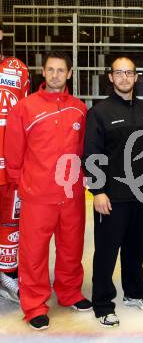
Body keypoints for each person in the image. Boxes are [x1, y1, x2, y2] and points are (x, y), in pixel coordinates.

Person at [4, 51, 91, 330]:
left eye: (60, 70)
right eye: (50, 70)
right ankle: (34, 304)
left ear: (69, 74)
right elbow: (14, 151)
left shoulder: (79, 108)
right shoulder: (25, 108)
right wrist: (22, 183)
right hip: (37, 195)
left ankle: (69, 293)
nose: (55, 75)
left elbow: (83, 151)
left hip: (71, 195)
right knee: (34, 253)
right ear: (44, 72)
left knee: (71, 248)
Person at [83, 56, 143, 327]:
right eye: (119, 73)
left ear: (136, 77)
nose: (125, 78)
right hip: (111, 197)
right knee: (106, 251)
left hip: (139, 195)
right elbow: (91, 155)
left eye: (129, 73)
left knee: (135, 248)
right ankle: (102, 303)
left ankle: (135, 291)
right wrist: (98, 191)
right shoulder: (99, 112)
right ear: (111, 78)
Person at [0, 22, 30, 303]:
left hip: (8, 167)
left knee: (10, 222)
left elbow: (24, 118)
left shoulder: (16, 69)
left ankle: (7, 274)